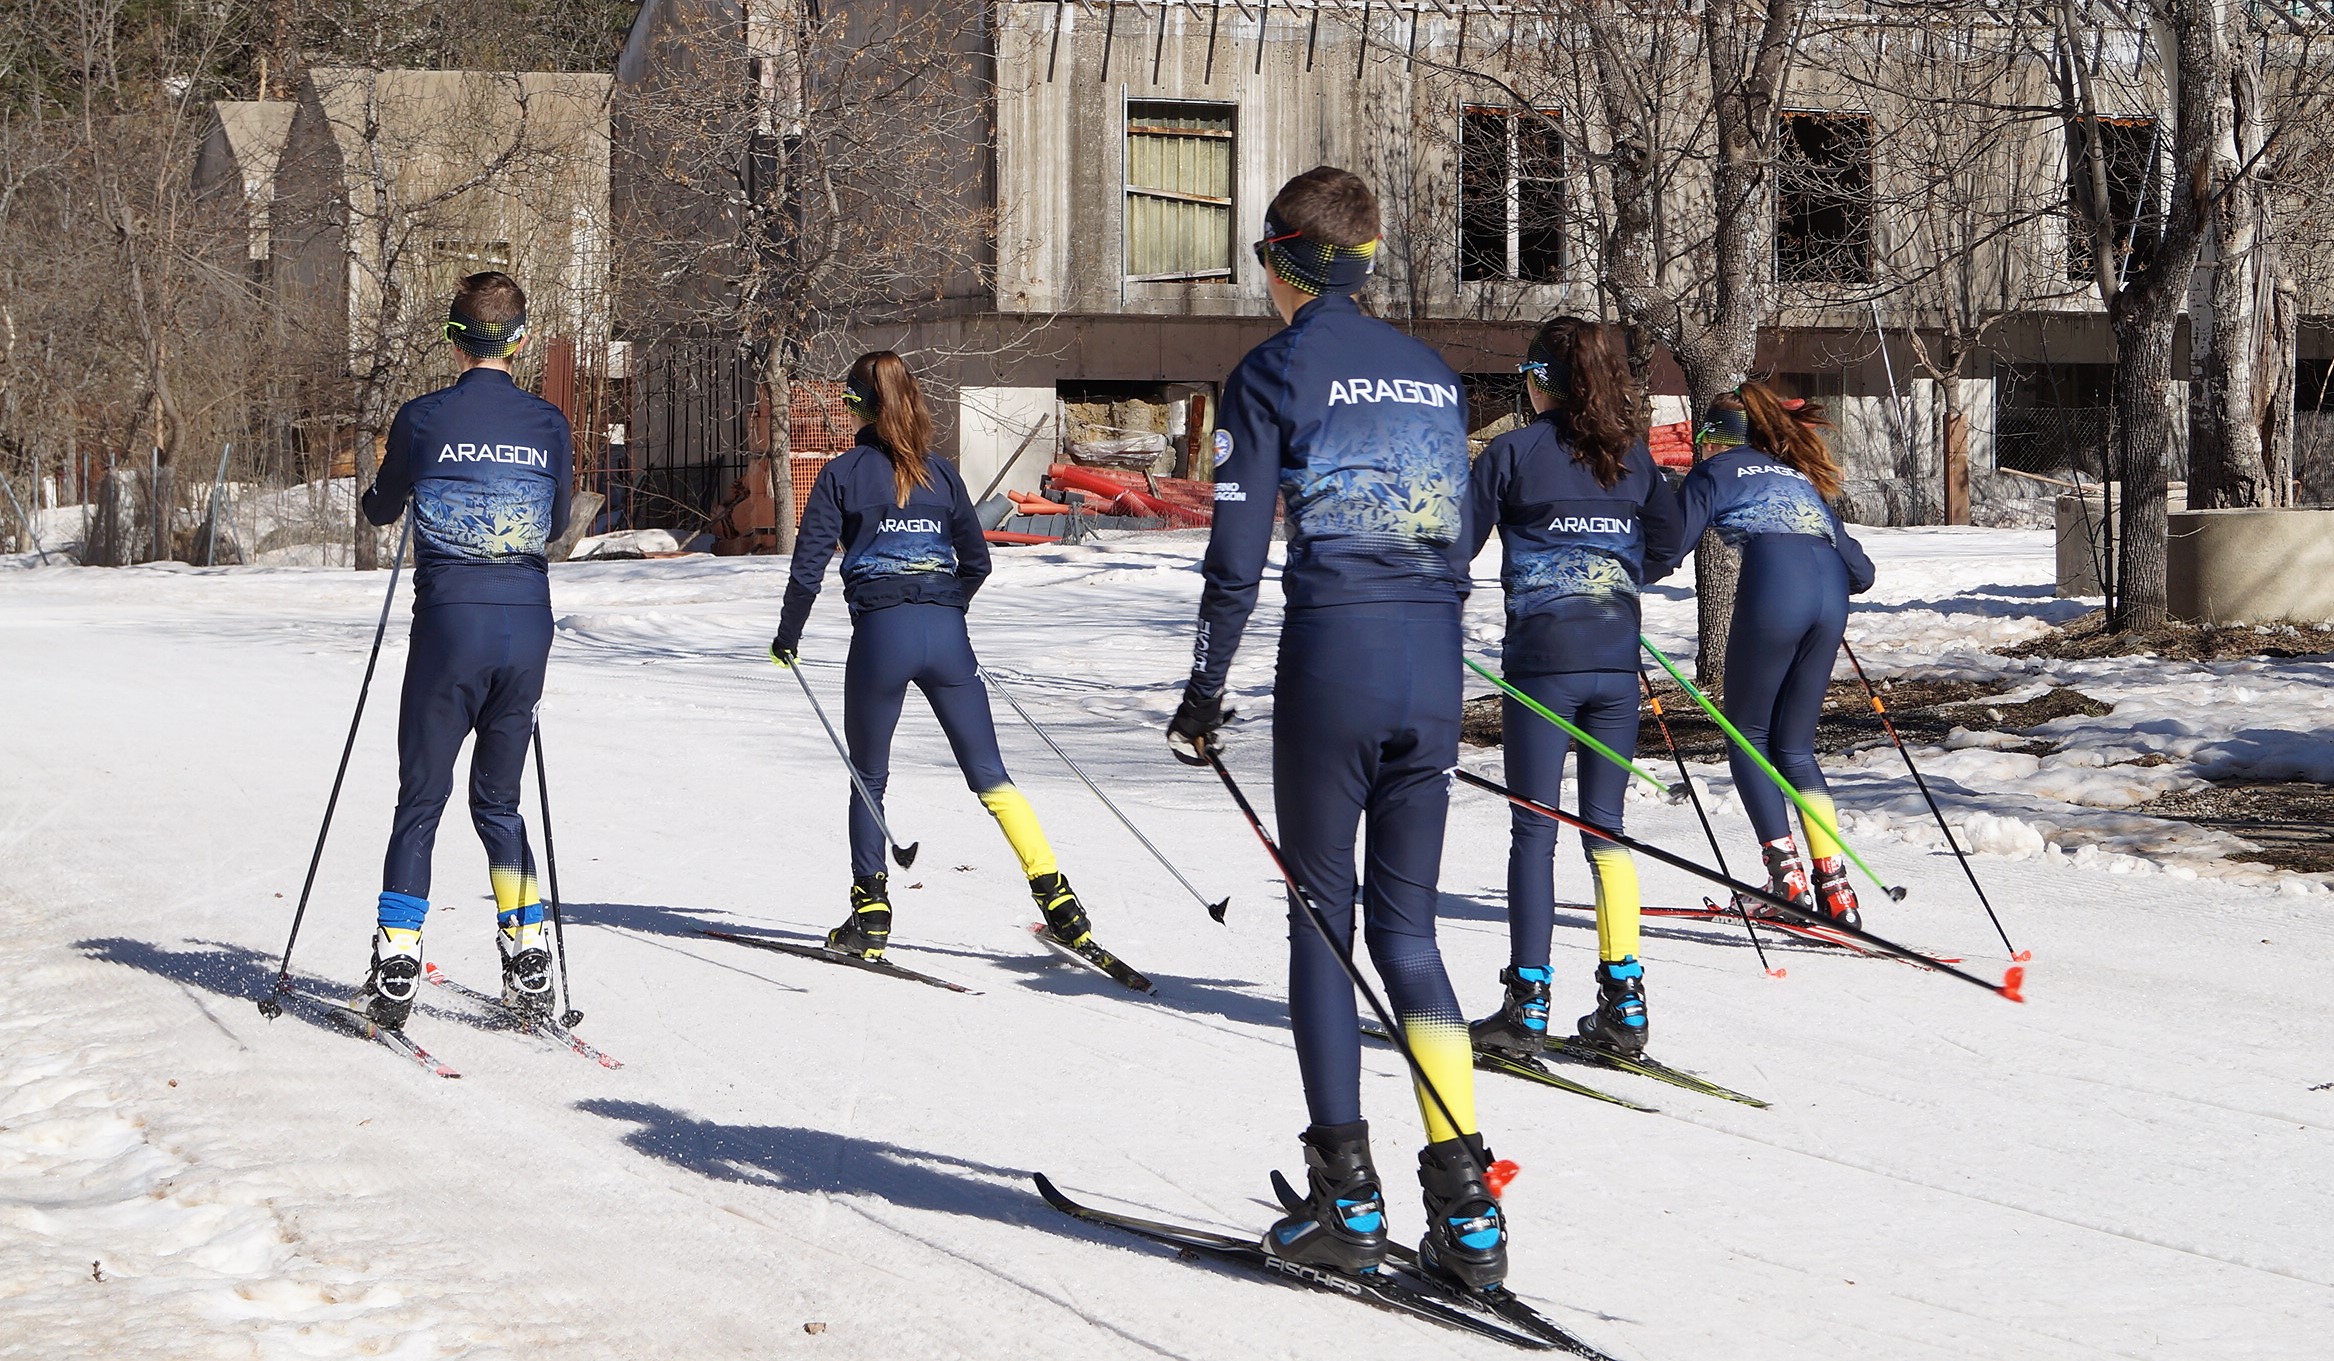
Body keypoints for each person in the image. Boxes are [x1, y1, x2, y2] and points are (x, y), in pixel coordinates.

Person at [1167, 166, 1509, 1292]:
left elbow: (1234, 558)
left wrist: (1205, 690)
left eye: (1263, 260)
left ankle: (1346, 1201)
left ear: (1286, 257)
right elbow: (1454, 542)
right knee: (1411, 938)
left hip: (1337, 659)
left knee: (1322, 924)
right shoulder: (1431, 375)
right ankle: (1467, 1219)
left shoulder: (1270, 371)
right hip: (1431, 668)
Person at [771, 351, 1119, 970]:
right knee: (991, 775)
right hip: (947, 633)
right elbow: (977, 560)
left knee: (869, 777)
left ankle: (870, 912)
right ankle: (1061, 905)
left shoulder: (841, 473)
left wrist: (787, 637)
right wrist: (944, 609)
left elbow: (807, 571)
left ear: (856, 405)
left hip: (881, 636)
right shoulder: (944, 474)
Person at [355, 271, 574, 1026]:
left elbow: (382, 507)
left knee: (422, 797)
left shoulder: (421, 417)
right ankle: (529, 961)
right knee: (499, 803)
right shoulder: (549, 424)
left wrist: (396, 494)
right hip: (526, 629)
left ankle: (396, 964)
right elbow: (551, 523)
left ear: (454, 339)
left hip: (449, 627)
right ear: (520, 340)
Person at [1462, 318, 1684, 1061]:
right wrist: (1614, 572)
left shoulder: (1512, 452)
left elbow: (1454, 546)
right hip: (1616, 668)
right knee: (1607, 831)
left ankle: (1526, 1005)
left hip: (1542, 668)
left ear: (1536, 383)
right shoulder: (1632, 457)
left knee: (1534, 829)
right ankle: (1626, 1003)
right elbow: (1665, 543)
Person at [1664, 381, 1876, 927]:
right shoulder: (1801, 478)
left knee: (1748, 736)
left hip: (1775, 585)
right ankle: (1836, 888)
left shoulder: (1714, 472)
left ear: (1712, 440)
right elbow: (1862, 572)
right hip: (1829, 595)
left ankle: (1786, 881)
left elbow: (1668, 546)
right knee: (1796, 748)